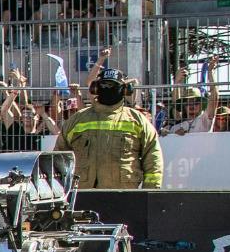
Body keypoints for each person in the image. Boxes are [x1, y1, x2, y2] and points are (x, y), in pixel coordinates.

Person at [55, 56, 162, 189]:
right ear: (95, 88)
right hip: (83, 196)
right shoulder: (77, 120)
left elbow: (153, 160)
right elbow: (58, 159)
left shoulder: (138, 121)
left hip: (126, 198)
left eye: (113, 86)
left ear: (125, 90)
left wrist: (149, 194)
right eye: (104, 85)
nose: (108, 89)